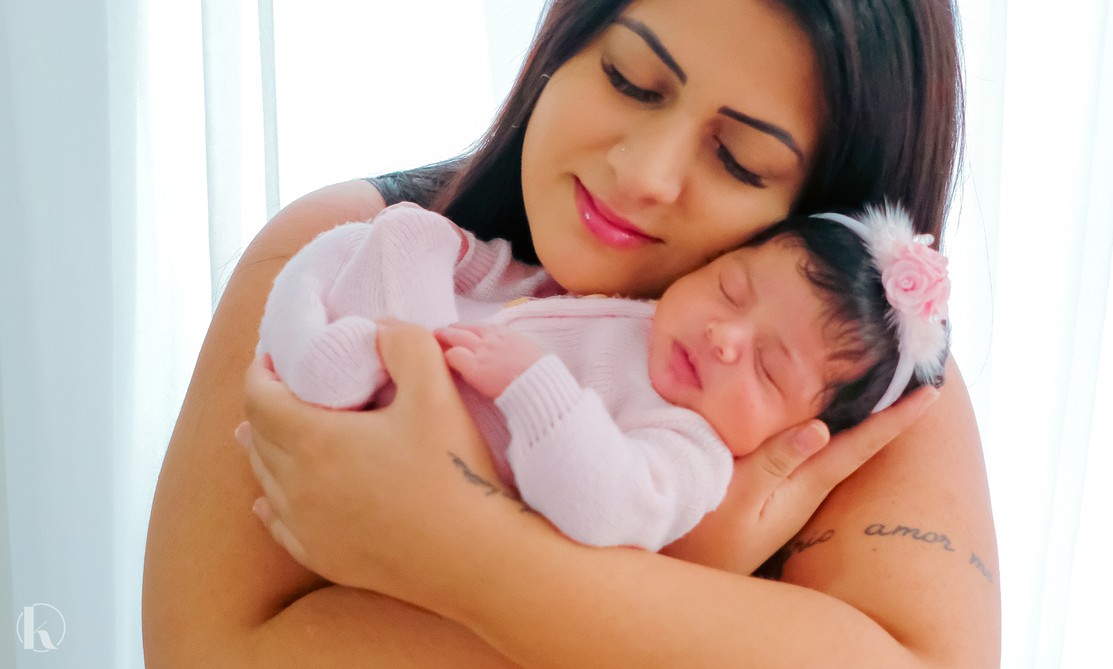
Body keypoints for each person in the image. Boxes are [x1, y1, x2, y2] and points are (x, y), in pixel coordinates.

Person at [143, 0, 1000, 668]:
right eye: (630, 80)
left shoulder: (850, 373)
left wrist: (472, 549)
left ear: (821, 217)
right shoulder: (360, 245)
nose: (644, 173)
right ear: (564, 40)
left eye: (739, 160)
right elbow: (204, 655)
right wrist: (688, 608)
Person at [254, 200, 951, 551]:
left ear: (796, 436)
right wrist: (469, 259)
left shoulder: (690, 452)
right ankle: (319, 341)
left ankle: (332, 368)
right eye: (730, 288)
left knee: (368, 323)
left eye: (768, 369)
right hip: (434, 336)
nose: (724, 337)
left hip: (423, 428)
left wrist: (534, 386)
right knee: (406, 231)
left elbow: (606, 504)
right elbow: (524, 294)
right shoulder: (644, 315)